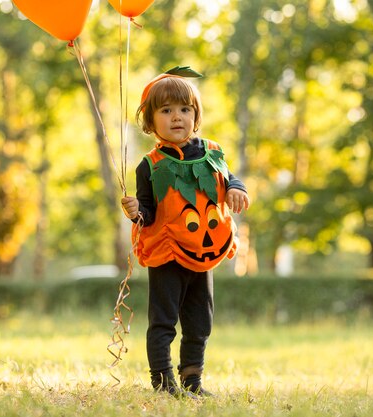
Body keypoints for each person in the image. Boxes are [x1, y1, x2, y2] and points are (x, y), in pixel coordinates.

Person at [121, 66, 250, 398]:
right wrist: (137, 212)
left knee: (200, 322)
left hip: (204, 253)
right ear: (151, 121)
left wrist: (237, 189)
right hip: (168, 252)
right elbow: (147, 213)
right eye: (166, 110)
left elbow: (230, 179)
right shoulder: (149, 166)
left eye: (184, 109)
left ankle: (193, 379)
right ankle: (164, 382)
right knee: (164, 321)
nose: (176, 117)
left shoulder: (213, 153)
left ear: (195, 116)